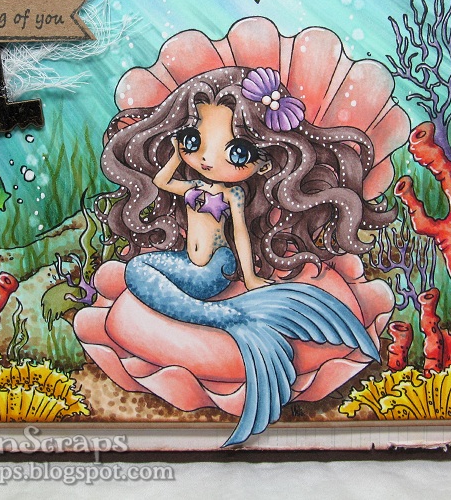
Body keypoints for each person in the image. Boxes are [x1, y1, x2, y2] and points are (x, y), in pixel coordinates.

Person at [89, 64, 397, 446]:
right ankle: (229, 318)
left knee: (141, 275)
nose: (206, 158)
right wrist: (177, 151)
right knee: (137, 269)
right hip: (189, 266)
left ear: (264, 162)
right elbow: (161, 181)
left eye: (235, 152)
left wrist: (250, 279)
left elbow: (239, 235)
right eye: (193, 140)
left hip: (215, 269)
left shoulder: (232, 193)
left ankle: (231, 318)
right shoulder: (193, 184)